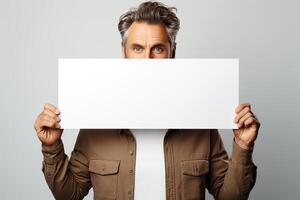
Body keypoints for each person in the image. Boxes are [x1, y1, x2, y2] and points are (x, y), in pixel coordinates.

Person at [34, 2, 260, 200]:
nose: (147, 59)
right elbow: (68, 194)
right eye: (138, 48)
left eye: (158, 49)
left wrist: (243, 146)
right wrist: (51, 146)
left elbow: (230, 196)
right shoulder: (96, 119)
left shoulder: (200, 122)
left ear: (172, 53)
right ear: (124, 53)